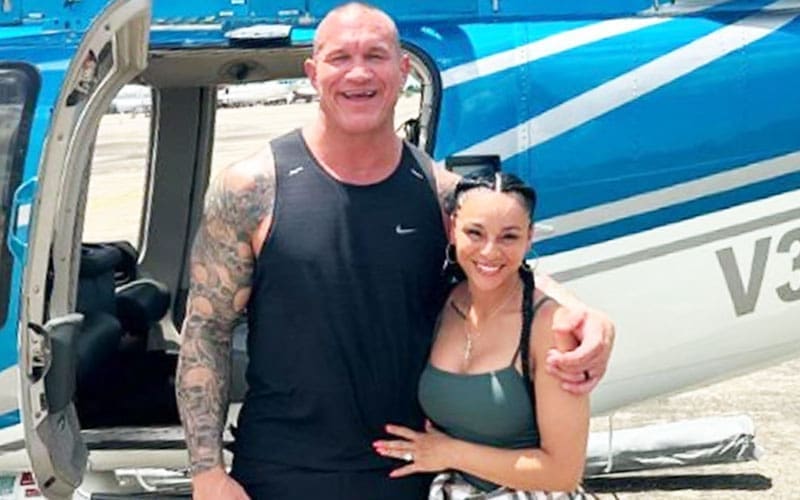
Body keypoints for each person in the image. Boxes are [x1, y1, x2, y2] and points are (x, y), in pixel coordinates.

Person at [175, 3, 613, 500]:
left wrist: (588, 317)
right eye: (340, 57)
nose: (359, 73)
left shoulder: (438, 195)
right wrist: (206, 472)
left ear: (403, 70)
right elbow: (206, 329)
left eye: (375, 56)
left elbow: (507, 269)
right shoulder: (252, 189)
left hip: (407, 470)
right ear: (313, 73)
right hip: (279, 472)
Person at [374, 171, 589, 499]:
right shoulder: (444, 302)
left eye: (509, 237)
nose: (490, 251)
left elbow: (563, 472)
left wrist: (449, 453)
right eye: (475, 233)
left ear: (529, 238)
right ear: (452, 230)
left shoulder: (549, 328)